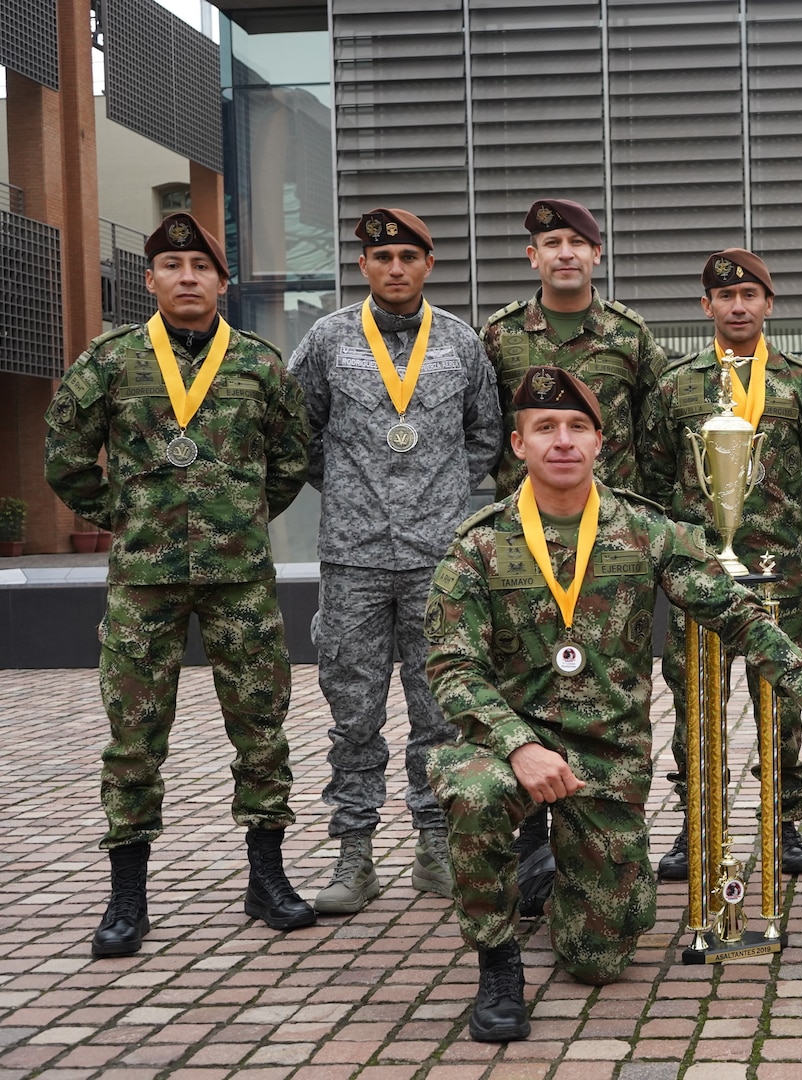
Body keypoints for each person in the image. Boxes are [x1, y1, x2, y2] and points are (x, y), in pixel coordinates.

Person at [425, 365, 802, 1043]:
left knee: (599, 959)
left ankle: (555, 877)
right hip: (509, 744)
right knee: (474, 793)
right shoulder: (479, 544)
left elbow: (739, 614)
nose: (563, 440)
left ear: (601, 440)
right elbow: (453, 667)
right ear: (519, 444)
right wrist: (518, 746)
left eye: (578, 427)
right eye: (545, 428)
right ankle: (498, 959)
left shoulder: (645, 529)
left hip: (606, 754)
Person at [44, 212, 315, 957]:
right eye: (173, 266)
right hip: (144, 583)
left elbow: (292, 461)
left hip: (240, 582)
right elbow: (65, 458)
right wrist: (129, 515)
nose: (187, 277)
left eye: (201, 266)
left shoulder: (261, 365)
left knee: (262, 730)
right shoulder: (110, 363)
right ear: (150, 280)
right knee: (133, 741)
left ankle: (268, 878)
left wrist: (243, 516)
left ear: (222, 283)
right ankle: (127, 897)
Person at [287, 208, 501, 914]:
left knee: (439, 711)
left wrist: (438, 497)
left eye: (409, 256)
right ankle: (355, 855)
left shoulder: (462, 345)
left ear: (428, 264)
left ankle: (434, 846)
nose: (396, 268)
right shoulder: (327, 341)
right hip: (352, 556)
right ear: (365, 267)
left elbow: (486, 436)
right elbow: (300, 430)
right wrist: (348, 487)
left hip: (438, 557)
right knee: (353, 712)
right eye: (383, 258)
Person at [640, 249, 802, 881]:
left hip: (775, 574)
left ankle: (783, 828)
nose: (737, 306)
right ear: (707, 306)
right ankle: (697, 826)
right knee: (695, 704)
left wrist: (780, 536)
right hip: (697, 575)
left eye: (749, 295)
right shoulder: (675, 386)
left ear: (768, 304)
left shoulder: (801, 384)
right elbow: (652, 475)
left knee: (782, 700)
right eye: (724, 297)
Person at [480, 198, 669, 500]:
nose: (565, 254)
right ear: (534, 256)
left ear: (596, 253)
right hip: (523, 515)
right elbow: (485, 428)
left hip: (615, 517)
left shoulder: (630, 334)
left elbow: (657, 432)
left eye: (577, 242)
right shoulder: (500, 333)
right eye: (552, 243)